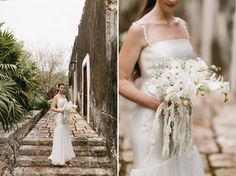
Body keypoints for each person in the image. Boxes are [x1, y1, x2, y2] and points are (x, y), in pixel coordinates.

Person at [119, 0, 205, 175]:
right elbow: (120, 80)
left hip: (180, 118)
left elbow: (187, 67)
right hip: (150, 120)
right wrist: (157, 105)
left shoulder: (182, 25)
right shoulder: (139, 29)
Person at [48, 83, 76, 165]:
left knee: (65, 133)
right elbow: (52, 108)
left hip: (65, 117)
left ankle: (65, 154)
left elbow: (66, 105)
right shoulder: (56, 97)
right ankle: (58, 156)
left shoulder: (64, 96)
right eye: (61, 87)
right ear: (58, 88)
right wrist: (60, 110)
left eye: (64, 88)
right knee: (59, 133)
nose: (63, 89)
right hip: (59, 117)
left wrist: (68, 109)